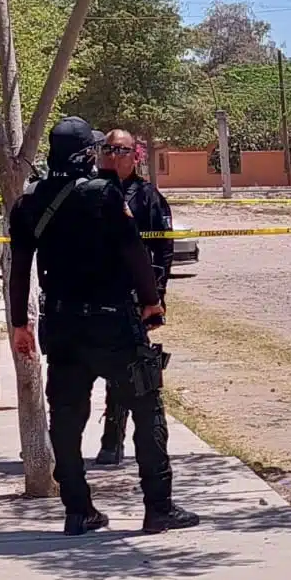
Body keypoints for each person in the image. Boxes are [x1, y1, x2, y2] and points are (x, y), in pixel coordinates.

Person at [7, 116, 198, 536]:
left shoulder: (29, 202)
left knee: (67, 418)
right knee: (147, 411)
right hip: (113, 325)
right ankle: (158, 507)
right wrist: (151, 302)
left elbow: (18, 271)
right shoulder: (106, 195)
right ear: (83, 154)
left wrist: (19, 324)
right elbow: (133, 253)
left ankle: (78, 510)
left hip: (60, 326)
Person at [94, 130, 174, 467]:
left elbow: (162, 250)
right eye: (108, 149)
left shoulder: (147, 196)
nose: (114, 155)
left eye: (121, 150)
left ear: (135, 155)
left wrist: (155, 297)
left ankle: (113, 439)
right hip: (93, 297)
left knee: (129, 372)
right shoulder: (90, 191)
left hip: (132, 300)